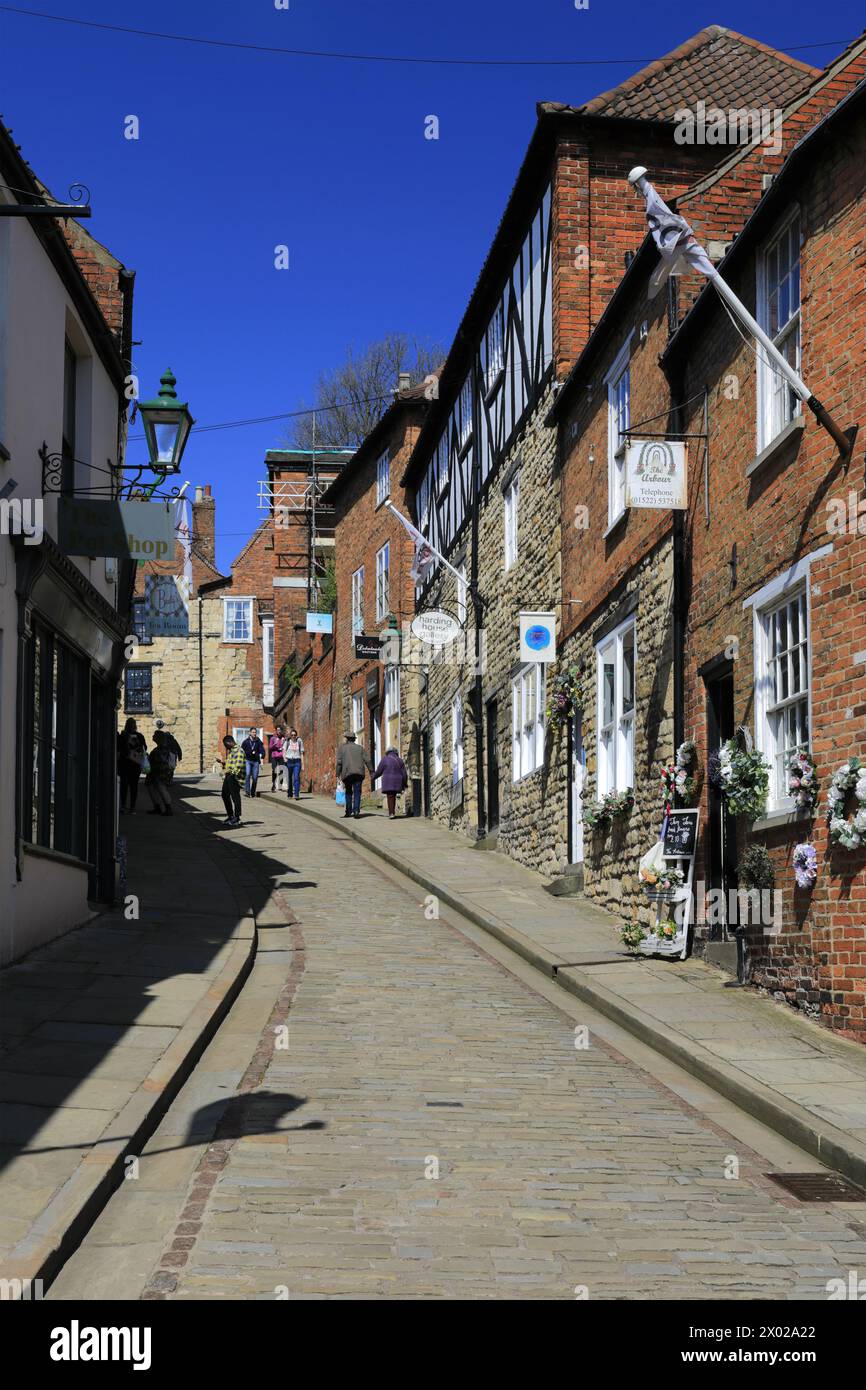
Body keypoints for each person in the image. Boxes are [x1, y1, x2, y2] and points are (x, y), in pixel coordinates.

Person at [336, 732, 371, 819]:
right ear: (354, 739)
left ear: (347, 739)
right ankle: (356, 810)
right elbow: (368, 760)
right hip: (359, 773)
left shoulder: (342, 749)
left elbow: (339, 763)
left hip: (347, 774)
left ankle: (348, 811)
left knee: (348, 792)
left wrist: (337, 774)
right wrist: (372, 770)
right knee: (357, 792)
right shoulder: (360, 748)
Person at [117, 717, 147, 814]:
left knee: (124, 786)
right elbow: (144, 748)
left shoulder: (123, 735)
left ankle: (123, 806)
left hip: (125, 763)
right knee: (133, 786)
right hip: (135, 763)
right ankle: (132, 808)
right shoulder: (139, 736)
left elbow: (118, 748)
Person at [373, 747, 409, 819]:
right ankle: (392, 812)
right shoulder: (400, 760)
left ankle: (391, 813)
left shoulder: (384, 759)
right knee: (393, 796)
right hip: (398, 781)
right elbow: (404, 773)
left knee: (390, 796)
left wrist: (373, 777)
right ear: (396, 752)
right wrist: (405, 783)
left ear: (387, 752)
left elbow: (379, 771)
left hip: (388, 781)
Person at [145, 731, 174, 816]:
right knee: (151, 788)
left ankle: (168, 809)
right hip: (157, 772)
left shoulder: (162, 749)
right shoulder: (161, 748)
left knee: (161, 789)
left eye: (154, 735)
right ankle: (157, 807)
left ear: (158, 738)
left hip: (160, 773)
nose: (152, 736)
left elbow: (160, 761)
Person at [221, 734, 245, 827]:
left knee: (235, 797)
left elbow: (237, 767)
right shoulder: (231, 751)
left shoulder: (239, 751)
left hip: (235, 777)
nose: (225, 747)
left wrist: (226, 771)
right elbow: (230, 764)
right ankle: (230, 816)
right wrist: (224, 765)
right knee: (224, 795)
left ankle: (237, 817)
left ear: (229, 742)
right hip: (229, 776)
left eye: (225, 745)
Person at [241, 727, 266, 797]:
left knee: (255, 778)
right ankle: (247, 791)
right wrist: (250, 752)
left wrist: (262, 755)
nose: (254, 733)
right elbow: (242, 751)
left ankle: (252, 791)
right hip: (248, 760)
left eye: (255, 732)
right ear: (249, 733)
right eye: (253, 732)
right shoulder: (245, 742)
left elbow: (262, 749)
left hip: (256, 762)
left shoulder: (258, 741)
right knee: (248, 774)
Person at [283, 727, 305, 800]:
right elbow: (283, 751)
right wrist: (284, 758)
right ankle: (289, 793)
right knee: (289, 778)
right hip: (289, 761)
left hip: (297, 762)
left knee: (296, 778)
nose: (293, 736)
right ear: (290, 735)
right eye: (292, 735)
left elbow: (302, 753)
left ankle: (296, 794)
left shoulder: (299, 741)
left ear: (296, 735)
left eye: (294, 735)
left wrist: (303, 764)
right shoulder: (287, 742)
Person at [268, 725, 286, 792]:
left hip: (281, 756)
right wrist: (275, 744)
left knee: (282, 770)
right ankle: (273, 785)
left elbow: (286, 747)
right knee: (274, 770)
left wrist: (284, 742)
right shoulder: (273, 738)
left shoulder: (284, 738)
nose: (279, 731)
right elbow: (270, 748)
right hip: (274, 756)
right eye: (278, 730)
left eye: (280, 730)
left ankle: (281, 784)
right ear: (276, 731)